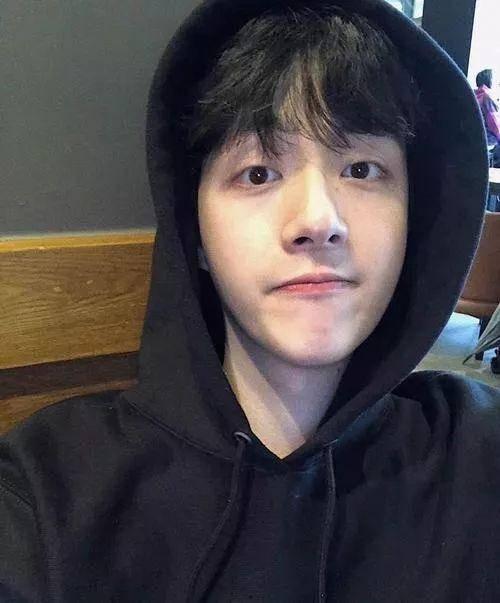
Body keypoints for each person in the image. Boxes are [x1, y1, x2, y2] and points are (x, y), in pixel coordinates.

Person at [1, 1, 499, 601]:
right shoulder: (45, 492)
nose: (318, 221)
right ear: (195, 235)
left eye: (363, 169)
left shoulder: (476, 455)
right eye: (258, 173)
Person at [475, 68, 500, 166]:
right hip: (489, 143)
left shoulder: (474, 95)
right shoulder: (487, 97)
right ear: (490, 81)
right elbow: (494, 124)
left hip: (477, 140)